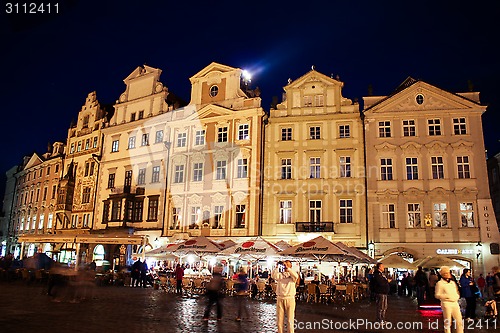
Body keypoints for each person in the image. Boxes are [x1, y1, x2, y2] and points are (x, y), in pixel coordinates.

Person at [272, 260, 299, 333]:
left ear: (290, 266)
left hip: (290, 298)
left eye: (287, 264)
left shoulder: (293, 275)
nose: (285, 266)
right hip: (280, 297)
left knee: (290, 319)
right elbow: (274, 276)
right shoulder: (280, 274)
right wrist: (276, 267)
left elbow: (296, 276)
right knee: (279, 319)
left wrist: (289, 269)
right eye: (284, 264)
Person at [435, 266, 463, 333]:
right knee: (448, 321)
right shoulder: (440, 283)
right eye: (447, 273)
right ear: (443, 274)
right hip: (446, 303)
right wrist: (446, 297)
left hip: (455, 302)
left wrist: (457, 296)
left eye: (449, 273)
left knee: (459, 320)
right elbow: (437, 295)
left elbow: (457, 291)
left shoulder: (452, 283)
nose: (449, 274)